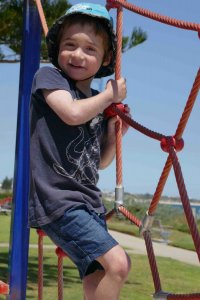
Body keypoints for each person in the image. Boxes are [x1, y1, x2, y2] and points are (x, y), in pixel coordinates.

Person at [29, 3, 131, 299]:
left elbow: (100, 161)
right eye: (69, 45)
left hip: (88, 202)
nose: (77, 55)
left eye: (89, 49)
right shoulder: (50, 79)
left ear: (105, 58)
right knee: (118, 264)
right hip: (57, 199)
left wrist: (115, 132)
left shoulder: (97, 102)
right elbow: (72, 113)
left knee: (100, 273)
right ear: (57, 47)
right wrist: (109, 97)